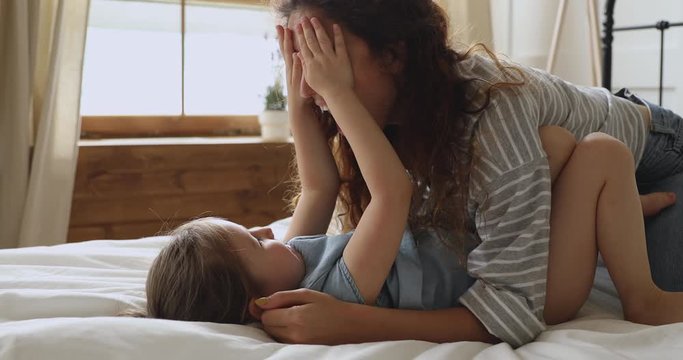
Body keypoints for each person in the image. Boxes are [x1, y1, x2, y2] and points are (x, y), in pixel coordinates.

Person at [244, 0, 683, 347]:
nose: (313, 86)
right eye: (301, 62)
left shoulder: (491, 111)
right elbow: (320, 194)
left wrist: (352, 323)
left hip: (657, 154)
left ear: (394, 54)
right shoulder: (383, 121)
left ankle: (617, 217)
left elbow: (513, 309)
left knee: (575, 152)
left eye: (327, 56)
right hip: (572, 171)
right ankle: (606, 213)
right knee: (547, 149)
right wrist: (306, 100)